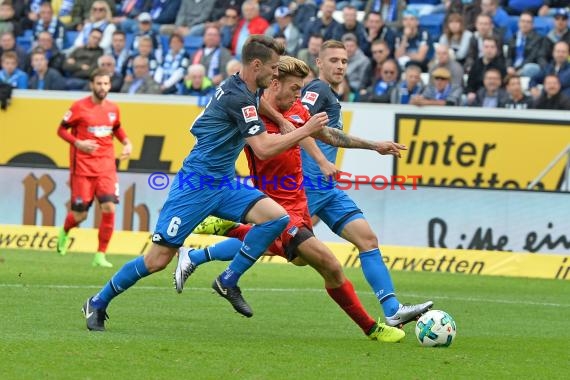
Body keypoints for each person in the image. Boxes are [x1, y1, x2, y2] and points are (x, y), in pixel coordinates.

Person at [81, 35, 328, 331]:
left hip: (224, 183)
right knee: (157, 260)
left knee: (277, 218)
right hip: (195, 186)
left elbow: (259, 108)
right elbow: (262, 148)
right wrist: (306, 130)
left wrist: (283, 120)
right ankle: (97, 301)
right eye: (274, 67)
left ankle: (228, 279)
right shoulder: (239, 98)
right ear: (257, 65)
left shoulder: (245, 89)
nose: (277, 73)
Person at [175, 55, 407, 343]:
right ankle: (373, 328)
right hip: (274, 207)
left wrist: (374, 146)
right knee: (331, 265)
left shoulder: (294, 108)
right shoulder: (251, 114)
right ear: (274, 83)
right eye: (295, 88)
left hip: (298, 201)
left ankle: (228, 229)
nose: (300, 95)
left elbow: (329, 135)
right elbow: (260, 141)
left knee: (299, 261)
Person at [264, 40, 433, 328]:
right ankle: (200, 254)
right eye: (333, 60)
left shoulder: (328, 94)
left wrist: (374, 145)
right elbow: (297, 126)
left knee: (366, 239)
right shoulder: (316, 91)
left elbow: (329, 134)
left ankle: (392, 310)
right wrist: (321, 162)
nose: (340, 65)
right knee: (282, 248)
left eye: (344, 60)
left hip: (327, 189)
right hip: (309, 185)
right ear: (319, 63)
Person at [56, 69, 133, 268]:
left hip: (106, 167)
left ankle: (100, 255)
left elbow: (116, 128)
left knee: (109, 207)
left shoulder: (113, 108)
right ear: (92, 85)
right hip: (82, 168)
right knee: (80, 215)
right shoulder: (79, 107)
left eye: (106, 84)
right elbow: (61, 130)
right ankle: (64, 231)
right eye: (99, 83)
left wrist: (126, 142)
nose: (102, 87)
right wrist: (78, 143)